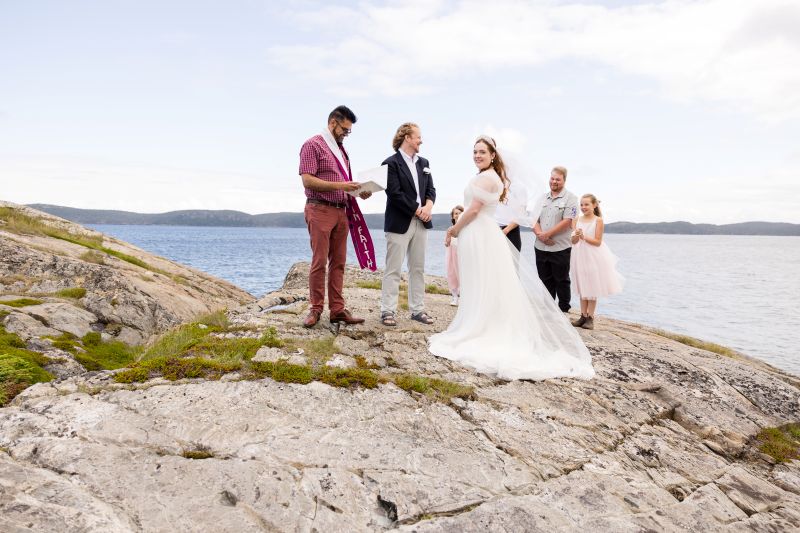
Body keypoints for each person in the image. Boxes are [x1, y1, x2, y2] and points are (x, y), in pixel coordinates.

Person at [428, 136, 594, 381]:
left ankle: (479, 327)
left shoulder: (487, 177)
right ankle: (481, 322)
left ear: (493, 155)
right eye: (475, 151)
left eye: (482, 152)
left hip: (477, 230)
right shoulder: (494, 177)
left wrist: (454, 229)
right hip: (483, 231)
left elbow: (473, 210)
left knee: (480, 279)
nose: (477, 155)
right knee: (483, 280)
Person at [299, 105, 373, 328]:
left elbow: (343, 184)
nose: (346, 134)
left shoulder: (341, 150)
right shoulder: (312, 144)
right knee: (319, 261)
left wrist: (359, 192)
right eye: (344, 129)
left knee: (339, 263)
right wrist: (342, 184)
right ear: (333, 123)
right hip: (319, 209)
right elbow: (307, 180)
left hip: (342, 210)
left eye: (348, 131)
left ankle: (337, 310)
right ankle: (315, 309)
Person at [380, 122, 437, 327]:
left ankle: (417, 310)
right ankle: (387, 310)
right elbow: (394, 193)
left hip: (422, 223)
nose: (421, 140)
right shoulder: (390, 163)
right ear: (407, 138)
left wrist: (428, 207)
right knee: (393, 269)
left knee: (418, 268)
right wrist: (417, 209)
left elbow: (431, 190)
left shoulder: (425, 163)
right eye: (418, 137)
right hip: (399, 223)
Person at [570, 194, 624, 330]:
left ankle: (590, 318)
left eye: (586, 204)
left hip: (593, 256)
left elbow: (598, 242)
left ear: (594, 205)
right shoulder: (576, 219)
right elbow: (573, 241)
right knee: (582, 285)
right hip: (579, 255)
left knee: (591, 286)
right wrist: (576, 237)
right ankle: (582, 316)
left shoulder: (598, 220)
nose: (583, 207)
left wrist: (584, 236)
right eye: (581, 204)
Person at [533, 166, 578, 312]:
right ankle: (548, 308)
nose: (554, 181)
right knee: (545, 279)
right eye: (552, 178)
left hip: (560, 247)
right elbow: (533, 219)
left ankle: (564, 309)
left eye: (557, 179)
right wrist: (541, 235)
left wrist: (547, 235)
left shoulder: (571, 199)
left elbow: (568, 221)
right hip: (541, 246)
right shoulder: (542, 198)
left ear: (564, 180)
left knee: (561, 279)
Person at [494, 180, 528, 251]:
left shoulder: (519, 187)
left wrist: (505, 231)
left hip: (511, 232)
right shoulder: (493, 183)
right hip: (493, 231)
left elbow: (521, 214)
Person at [446, 205, 464, 306]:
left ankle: (464, 296)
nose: (458, 215)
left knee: (462, 275)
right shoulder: (450, 229)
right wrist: (448, 239)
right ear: (453, 216)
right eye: (456, 214)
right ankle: (455, 297)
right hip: (452, 255)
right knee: (452, 274)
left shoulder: (466, 228)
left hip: (462, 255)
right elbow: (447, 243)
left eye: (460, 213)